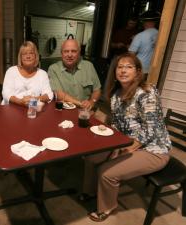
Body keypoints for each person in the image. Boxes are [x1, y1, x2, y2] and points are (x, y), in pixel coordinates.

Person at [88, 52, 171, 222]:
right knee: (91, 156)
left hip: (154, 150)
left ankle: (107, 207)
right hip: (127, 143)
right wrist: (109, 140)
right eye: (120, 67)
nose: (123, 71)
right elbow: (117, 125)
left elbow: (151, 129)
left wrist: (125, 149)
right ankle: (90, 192)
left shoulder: (147, 93)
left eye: (129, 67)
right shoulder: (116, 95)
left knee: (106, 172)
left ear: (138, 72)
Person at [47, 39, 101, 111]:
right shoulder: (53, 69)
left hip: (88, 110)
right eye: (66, 51)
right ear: (61, 53)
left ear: (79, 53)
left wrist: (92, 101)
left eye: (74, 51)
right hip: (65, 111)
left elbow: (97, 89)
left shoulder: (89, 66)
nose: (69, 55)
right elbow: (59, 94)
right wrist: (81, 104)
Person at [2, 41, 53, 106]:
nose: (28, 56)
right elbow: (6, 94)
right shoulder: (11, 71)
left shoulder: (42, 74)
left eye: (31, 53)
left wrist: (34, 99)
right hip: (11, 109)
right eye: (24, 54)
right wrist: (20, 102)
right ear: (20, 57)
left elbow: (49, 95)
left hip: (33, 109)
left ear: (36, 56)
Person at [129, 11, 160, 75]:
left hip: (140, 68)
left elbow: (131, 54)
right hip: (153, 69)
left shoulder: (140, 36)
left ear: (144, 22)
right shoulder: (160, 35)